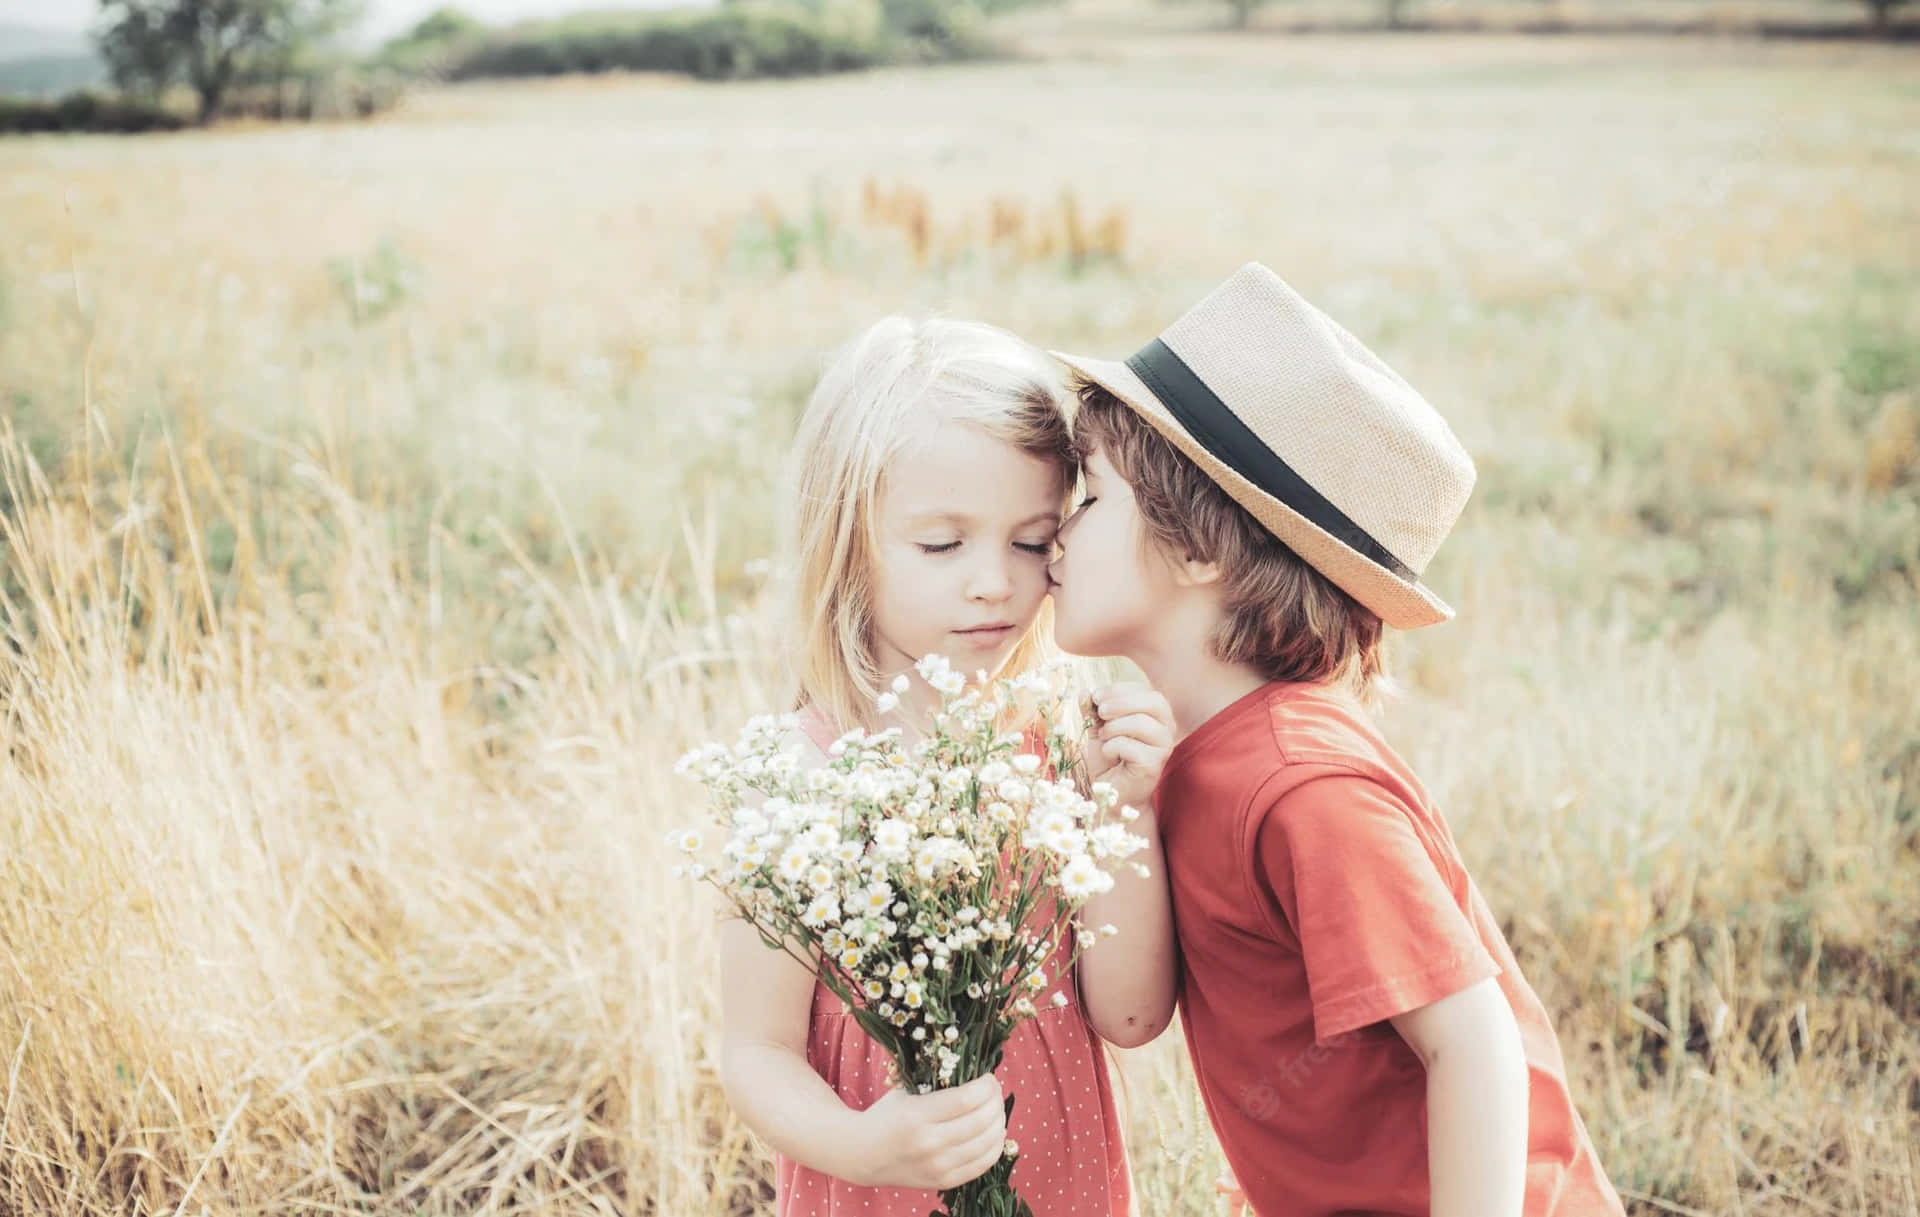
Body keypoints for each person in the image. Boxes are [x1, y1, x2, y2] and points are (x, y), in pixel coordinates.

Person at [1046, 264, 1626, 1217]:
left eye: (1092, 498)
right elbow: (1135, 1013)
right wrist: (1122, 811)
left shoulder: (1302, 783)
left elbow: (1471, 1037)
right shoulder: (1191, 752)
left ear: (1196, 550)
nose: (1055, 535)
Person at [718, 315, 1177, 1217]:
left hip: (1060, 1186)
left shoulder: (1063, 740)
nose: (993, 582)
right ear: (846, 541)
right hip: (880, 1189)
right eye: (943, 544)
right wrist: (867, 1144)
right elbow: (755, 1051)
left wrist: (1129, 812)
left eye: (1031, 539)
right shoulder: (803, 784)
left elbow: (1131, 1016)